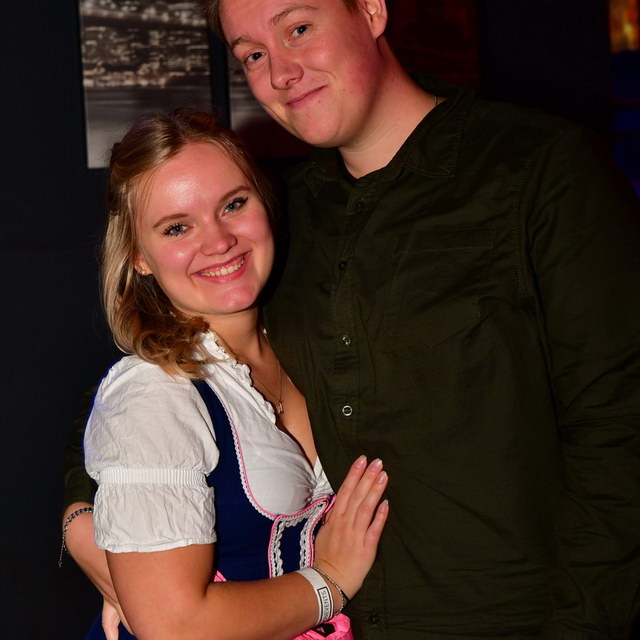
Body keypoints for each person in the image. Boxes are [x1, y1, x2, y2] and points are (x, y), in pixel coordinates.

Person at [64, 0, 640, 638]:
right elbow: (152, 393)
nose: (280, 72)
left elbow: (619, 429)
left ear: (371, 9)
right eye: (252, 54)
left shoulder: (542, 170)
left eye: (299, 28)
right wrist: (84, 518)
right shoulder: (289, 217)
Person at [61, 107, 389, 640]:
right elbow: (174, 627)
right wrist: (329, 581)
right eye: (177, 227)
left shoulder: (311, 344)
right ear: (139, 257)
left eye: (233, 204)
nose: (218, 241)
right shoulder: (153, 394)